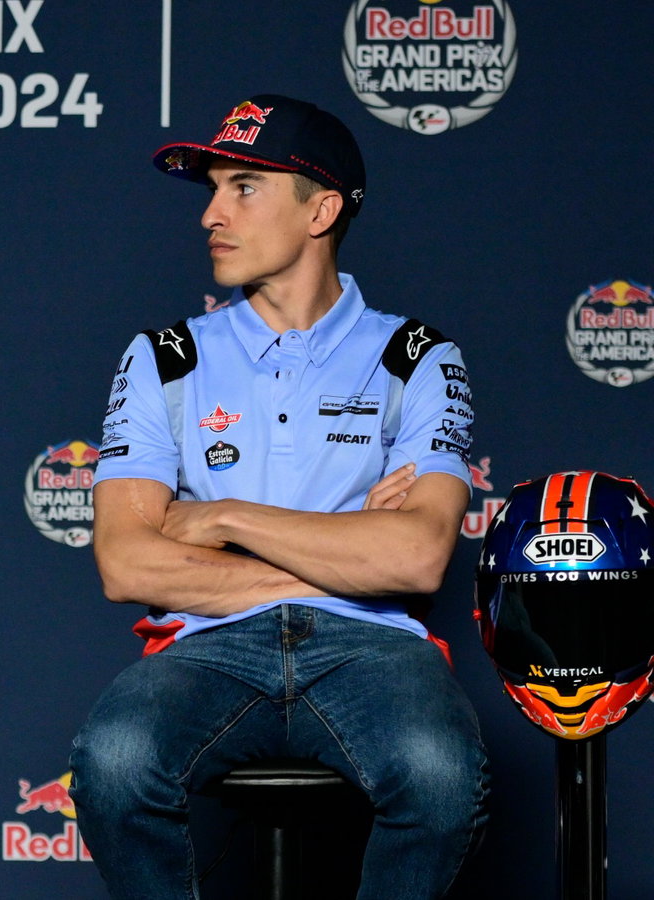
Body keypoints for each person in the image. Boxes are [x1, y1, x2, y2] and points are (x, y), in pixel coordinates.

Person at [69, 95, 488, 899]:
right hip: (210, 643)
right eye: (213, 189)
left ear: (321, 209)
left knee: (439, 777)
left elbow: (418, 555)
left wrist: (221, 518)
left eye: (244, 187)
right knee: (114, 761)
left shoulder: (418, 357)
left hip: (371, 647)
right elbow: (126, 563)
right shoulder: (165, 356)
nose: (211, 215)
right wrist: (343, 550)